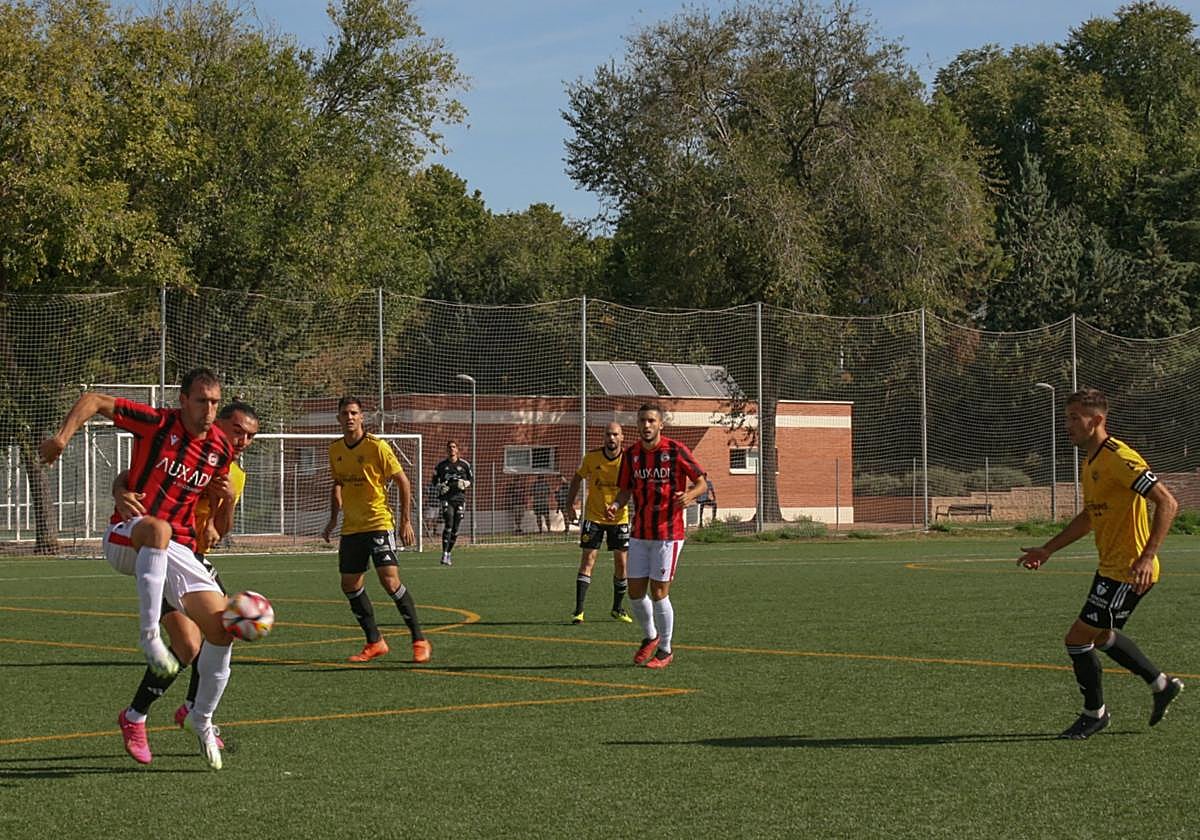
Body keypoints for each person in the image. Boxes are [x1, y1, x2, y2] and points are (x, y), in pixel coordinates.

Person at [39, 368, 239, 769]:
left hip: (179, 552)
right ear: (183, 401)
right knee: (159, 529)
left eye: (215, 402)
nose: (209, 410)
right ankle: (149, 638)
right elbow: (94, 400)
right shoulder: (158, 424)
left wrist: (226, 503)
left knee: (220, 630)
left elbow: (218, 517)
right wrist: (62, 438)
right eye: (202, 401)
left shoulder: (221, 449)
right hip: (128, 537)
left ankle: (199, 718)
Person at [1018, 387, 1182, 740]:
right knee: (1102, 636)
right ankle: (1161, 685)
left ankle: (1095, 714)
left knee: (1077, 639)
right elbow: (1090, 517)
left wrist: (1147, 556)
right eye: (1067, 417)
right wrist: (1047, 549)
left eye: (1074, 418)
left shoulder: (1120, 458)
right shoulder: (1091, 461)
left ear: (1096, 420)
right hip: (1111, 568)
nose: (1068, 425)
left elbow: (1167, 503)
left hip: (1131, 571)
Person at [114, 401, 260, 765]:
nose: (242, 441)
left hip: (193, 559)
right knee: (189, 643)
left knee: (218, 631)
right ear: (217, 421)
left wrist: (226, 502)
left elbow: (219, 531)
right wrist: (119, 492)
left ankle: (193, 710)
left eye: (250, 437)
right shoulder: (186, 445)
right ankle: (138, 716)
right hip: (162, 553)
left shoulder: (234, 474)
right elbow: (130, 476)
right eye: (237, 431)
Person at [322, 396, 431, 664]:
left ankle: (419, 640)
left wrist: (405, 521)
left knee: (389, 580)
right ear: (338, 418)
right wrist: (333, 519)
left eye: (354, 413)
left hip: (378, 523)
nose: (349, 417)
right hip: (351, 528)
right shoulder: (335, 449)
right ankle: (374, 642)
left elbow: (403, 481)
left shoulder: (377, 446)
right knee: (349, 584)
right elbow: (338, 484)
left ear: (362, 417)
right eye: (345, 413)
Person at [607, 403, 707, 669]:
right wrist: (616, 505)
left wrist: (689, 495)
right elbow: (625, 490)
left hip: (668, 533)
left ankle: (665, 650)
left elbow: (701, 483)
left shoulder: (675, 450)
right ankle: (651, 636)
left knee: (659, 591)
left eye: (651, 420)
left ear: (661, 424)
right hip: (640, 532)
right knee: (635, 592)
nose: (646, 425)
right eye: (642, 420)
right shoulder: (631, 455)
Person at [565, 421, 632, 624]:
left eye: (615, 434)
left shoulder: (629, 460)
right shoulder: (592, 457)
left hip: (619, 518)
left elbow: (631, 488)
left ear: (622, 437)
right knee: (588, 560)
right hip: (593, 517)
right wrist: (569, 505)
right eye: (608, 434)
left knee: (621, 563)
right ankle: (578, 611)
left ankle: (617, 608)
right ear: (604, 437)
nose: (611, 438)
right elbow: (577, 479)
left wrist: (619, 507)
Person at [433, 440, 473, 566]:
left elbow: (471, 479)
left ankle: (449, 553)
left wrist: (465, 483)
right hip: (447, 499)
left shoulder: (464, 465)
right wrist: (440, 486)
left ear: (457, 449)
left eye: (454, 447)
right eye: (449, 447)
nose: (452, 449)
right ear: (447, 450)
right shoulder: (441, 466)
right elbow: (434, 480)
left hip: (460, 499)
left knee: (455, 529)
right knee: (449, 523)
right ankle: (444, 554)